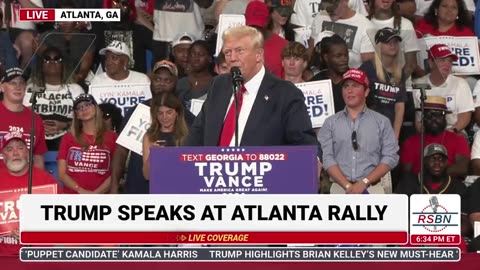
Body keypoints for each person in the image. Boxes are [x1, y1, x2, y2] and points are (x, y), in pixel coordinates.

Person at [186, 25, 321, 155]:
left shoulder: (285, 94)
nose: (232, 58)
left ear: (258, 55)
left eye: (240, 51)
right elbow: (197, 134)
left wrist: (313, 159)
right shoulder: (219, 85)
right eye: (227, 52)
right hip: (214, 174)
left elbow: (306, 144)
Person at [110, 60, 195, 194]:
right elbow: (121, 151)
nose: (161, 83)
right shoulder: (136, 110)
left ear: (175, 83)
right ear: (151, 81)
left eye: (167, 80)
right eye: (158, 79)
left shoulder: (185, 116)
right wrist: (114, 187)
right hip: (138, 188)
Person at [318, 68, 399, 194]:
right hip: (339, 189)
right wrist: (347, 186)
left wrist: (364, 183)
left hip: (373, 189)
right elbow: (326, 157)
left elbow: (390, 157)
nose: (349, 91)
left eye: (355, 86)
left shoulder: (382, 122)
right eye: (345, 86)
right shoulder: (330, 122)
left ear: (366, 91)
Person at [0, 131, 58, 257]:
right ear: (3, 155)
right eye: (9, 149)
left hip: (39, 253)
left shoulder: (46, 181)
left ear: (27, 152)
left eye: (20, 148)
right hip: (4, 255)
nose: (15, 153)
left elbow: (61, 219)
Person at [24, 46, 85, 151]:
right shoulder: (31, 88)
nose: (52, 62)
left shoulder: (75, 89)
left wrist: (65, 125)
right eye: (47, 59)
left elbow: (85, 118)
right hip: (36, 140)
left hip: (67, 139)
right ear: (41, 65)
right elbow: (24, 116)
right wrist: (39, 126)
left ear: (63, 65)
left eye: (57, 59)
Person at [57, 94, 117, 194]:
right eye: (79, 108)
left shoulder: (112, 137)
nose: (84, 109)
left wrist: (96, 194)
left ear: (96, 108)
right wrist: (81, 191)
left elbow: (115, 173)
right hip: (73, 196)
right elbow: (62, 173)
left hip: (101, 198)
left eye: (87, 105)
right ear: (77, 115)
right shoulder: (68, 137)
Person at [400, 96, 470, 178]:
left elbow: (462, 168)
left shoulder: (458, 139)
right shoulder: (411, 141)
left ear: (445, 118)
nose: (434, 119)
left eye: (438, 115)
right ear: (423, 118)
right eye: (429, 115)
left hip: (449, 185)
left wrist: (434, 173)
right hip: (419, 185)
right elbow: (406, 172)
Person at [412, 44, 474, 133]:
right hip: (426, 133)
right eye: (442, 60)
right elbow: (418, 118)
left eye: (450, 61)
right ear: (430, 62)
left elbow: (465, 114)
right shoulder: (417, 84)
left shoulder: (460, 83)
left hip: (454, 131)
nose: (447, 64)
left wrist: (453, 131)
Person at [360, 27, 407, 140]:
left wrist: (395, 137)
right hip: (367, 128)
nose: (392, 45)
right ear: (378, 45)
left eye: (395, 42)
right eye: (387, 42)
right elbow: (359, 99)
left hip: (389, 129)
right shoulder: (367, 68)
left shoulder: (400, 72)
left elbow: (400, 107)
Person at [0, 67, 47, 169]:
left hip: (24, 182)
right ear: (2, 87)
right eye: (12, 83)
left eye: (21, 83)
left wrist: (38, 182)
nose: (18, 87)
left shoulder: (36, 119)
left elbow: (38, 157)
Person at [309, 0, 375, 69]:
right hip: (322, 74)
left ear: (345, 1)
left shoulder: (366, 27)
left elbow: (368, 67)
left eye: (333, 6)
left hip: (351, 76)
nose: (329, 10)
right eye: (326, 6)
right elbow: (311, 50)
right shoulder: (319, 17)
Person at [142, 92, 189, 179]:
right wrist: (152, 156)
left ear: (177, 113)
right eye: (160, 113)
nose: (164, 117)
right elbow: (147, 175)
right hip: (159, 187)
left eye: (169, 112)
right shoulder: (150, 136)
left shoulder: (187, 136)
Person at [368, 0, 419, 78]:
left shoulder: (405, 24)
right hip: (371, 85)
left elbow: (411, 64)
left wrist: (395, 84)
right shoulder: (364, 23)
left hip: (400, 85)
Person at [396, 143, 466, 195]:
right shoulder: (407, 183)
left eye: (441, 159)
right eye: (432, 159)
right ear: (424, 161)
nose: (437, 163)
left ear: (446, 162)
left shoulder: (458, 187)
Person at [245, 0, 288, 79]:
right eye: (252, 26)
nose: (255, 30)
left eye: (259, 26)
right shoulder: (235, 43)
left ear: (268, 20)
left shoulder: (284, 46)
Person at [310, 34, 349, 113]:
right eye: (338, 56)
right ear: (326, 57)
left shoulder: (356, 79)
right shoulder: (315, 83)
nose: (344, 59)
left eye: (346, 55)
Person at [175, 40, 214, 111]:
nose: (196, 58)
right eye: (192, 55)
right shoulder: (180, 83)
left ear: (210, 58)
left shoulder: (215, 83)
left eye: (201, 55)